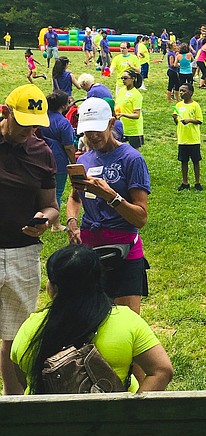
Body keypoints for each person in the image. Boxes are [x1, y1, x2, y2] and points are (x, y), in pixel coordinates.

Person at [9, 244, 173, 436]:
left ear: (52, 287)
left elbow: (18, 386)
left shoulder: (29, 330)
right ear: (99, 281)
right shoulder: (125, 321)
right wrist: (131, 411)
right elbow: (162, 370)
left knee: (58, 430)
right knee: (151, 430)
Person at [66, 98, 151, 315]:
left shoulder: (132, 159)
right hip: (89, 247)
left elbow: (140, 218)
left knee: (126, 322)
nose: (92, 136)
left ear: (111, 124)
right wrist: (72, 222)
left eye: (97, 129)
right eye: (87, 131)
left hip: (123, 249)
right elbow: (75, 197)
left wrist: (111, 196)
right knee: (89, 317)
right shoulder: (84, 160)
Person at [0, 85, 59, 394]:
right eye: (23, 122)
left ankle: (11, 405)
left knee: (16, 334)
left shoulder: (42, 152)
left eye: (35, 124)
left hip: (23, 252)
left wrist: (45, 220)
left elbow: (51, 206)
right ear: (5, 112)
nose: (29, 130)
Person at [42, 90, 76, 230]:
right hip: (58, 160)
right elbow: (68, 146)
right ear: (63, 106)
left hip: (41, 157)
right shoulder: (63, 122)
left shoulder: (42, 118)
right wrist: (74, 162)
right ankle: (55, 224)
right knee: (57, 191)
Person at [173, 83, 203, 191]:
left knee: (196, 161)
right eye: (180, 90)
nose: (181, 93)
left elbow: (199, 120)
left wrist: (189, 120)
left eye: (184, 91)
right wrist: (175, 118)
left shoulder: (195, 105)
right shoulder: (178, 106)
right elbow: (177, 122)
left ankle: (197, 182)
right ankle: (185, 182)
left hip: (193, 139)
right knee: (183, 161)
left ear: (190, 92)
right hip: (182, 139)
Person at [115, 71, 144, 150]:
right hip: (122, 127)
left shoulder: (136, 95)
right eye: (122, 78)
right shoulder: (121, 91)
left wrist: (123, 114)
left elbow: (136, 115)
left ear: (133, 79)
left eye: (125, 78)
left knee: (134, 152)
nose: (123, 80)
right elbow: (117, 105)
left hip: (133, 130)